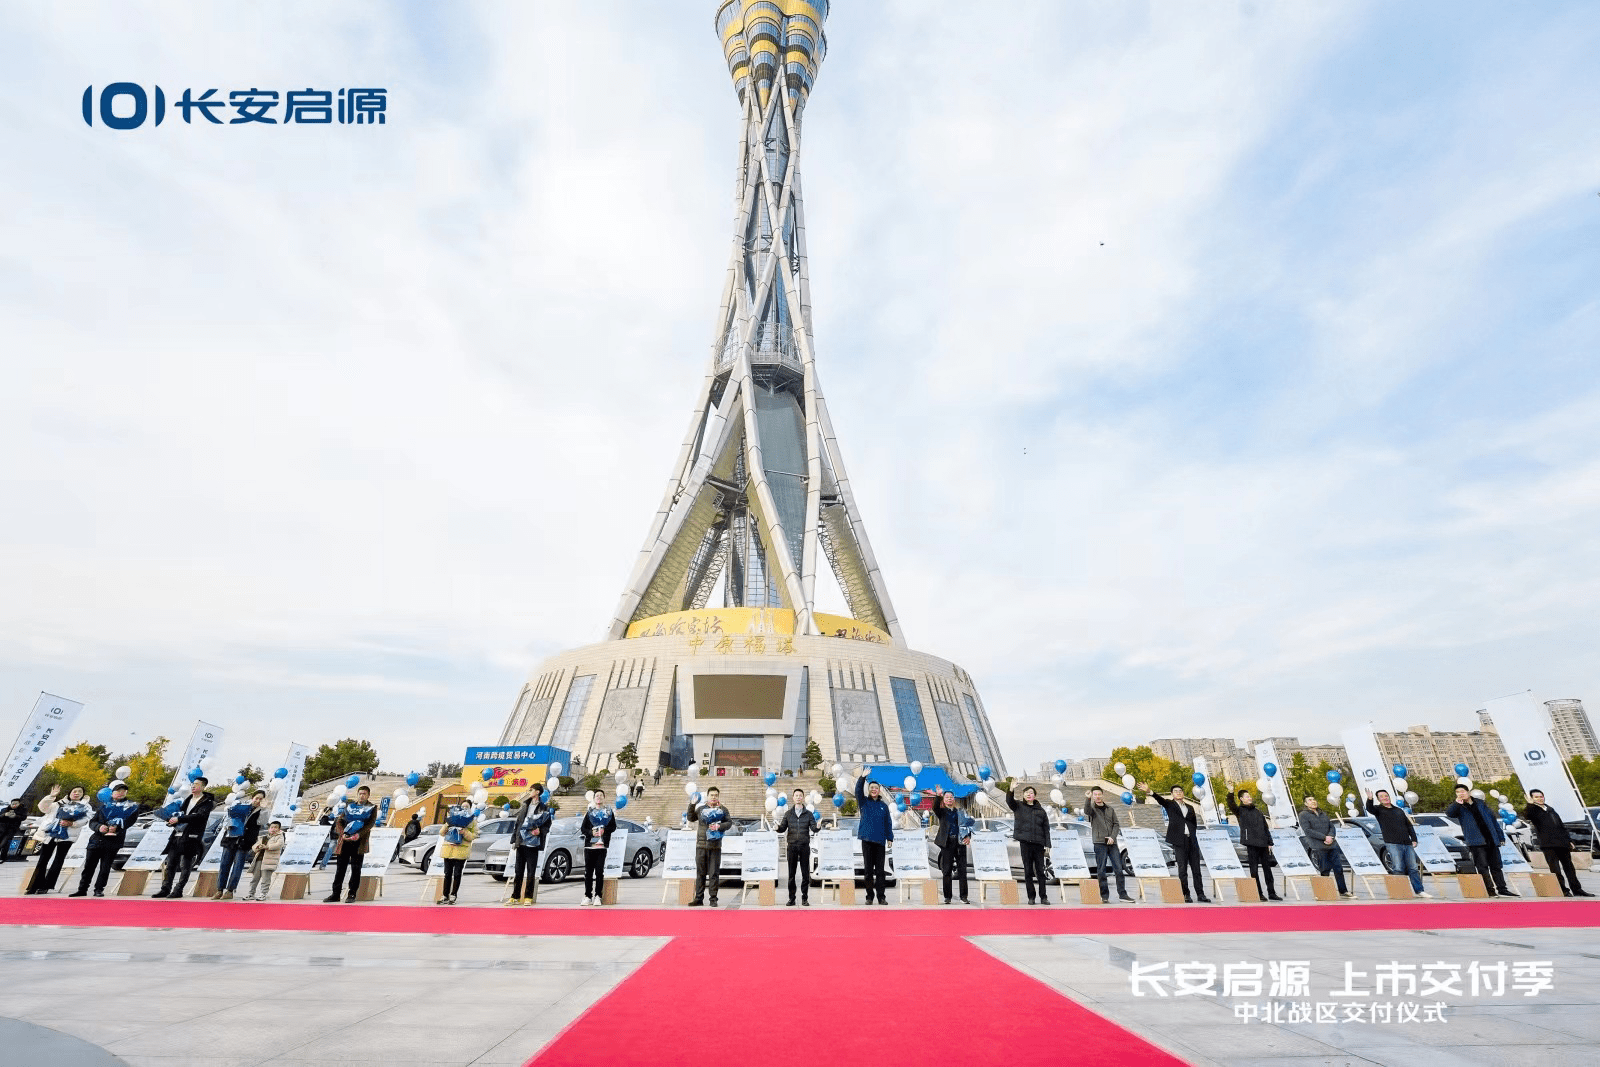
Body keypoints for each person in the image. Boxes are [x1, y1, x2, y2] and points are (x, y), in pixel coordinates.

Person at [70, 784, 141, 897]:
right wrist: (99, 827)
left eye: (124, 791)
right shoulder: (104, 805)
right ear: (112, 793)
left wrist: (117, 827)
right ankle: (82, 889)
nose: (121, 793)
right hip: (96, 840)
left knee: (105, 867)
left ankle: (99, 889)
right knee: (88, 866)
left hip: (113, 841)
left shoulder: (131, 807)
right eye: (118, 791)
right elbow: (92, 822)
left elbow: (129, 822)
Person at [1444, 785, 1513, 897]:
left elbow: (1493, 820)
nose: (1460, 793)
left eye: (1462, 791)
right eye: (1457, 792)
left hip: (1490, 839)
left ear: (1468, 792)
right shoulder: (1459, 807)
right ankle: (1490, 890)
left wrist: (1500, 837)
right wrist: (1457, 803)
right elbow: (1450, 813)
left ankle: (1502, 889)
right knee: (1482, 867)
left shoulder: (1481, 803)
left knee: (1496, 866)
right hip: (1476, 842)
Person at [1147, 782, 1210, 903]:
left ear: (1183, 793)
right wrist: (1151, 792)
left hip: (1192, 841)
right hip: (1179, 841)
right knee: (1182, 869)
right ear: (1172, 794)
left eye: (1180, 791)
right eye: (1176, 791)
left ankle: (1200, 894)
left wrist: (1193, 835)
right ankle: (1186, 894)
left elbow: (1194, 824)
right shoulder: (1170, 804)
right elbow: (1161, 800)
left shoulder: (1190, 807)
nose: (1178, 793)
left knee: (1196, 869)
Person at [1521, 789, 1591, 897]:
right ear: (1532, 799)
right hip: (1548, 845)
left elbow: (1561, 826)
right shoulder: (1533, 810)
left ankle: (1577, 890)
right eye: (1536, 797)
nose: (1540, 799)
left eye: (1541, 796)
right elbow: (1527, 816)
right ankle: (1564, 890)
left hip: (1562, 843)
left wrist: (1569, 840)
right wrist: (1529, 805)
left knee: (1570, 869)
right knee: (1555, 869)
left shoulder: (1550, 809)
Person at [153, 778, 215, 898]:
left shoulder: (207, 802)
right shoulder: (187, 799)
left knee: (185, 865)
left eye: (196, 784)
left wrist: (180, 819)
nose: (193, 786)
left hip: (191, 836)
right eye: (192, 784)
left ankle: (178, 889)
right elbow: (181, 814)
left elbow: (199, 816)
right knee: (170, 864)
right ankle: (165, 888)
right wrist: (172, 820)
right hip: (177, 835)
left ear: (203, 787)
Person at [26, 785, 91, 894]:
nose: (76, 793)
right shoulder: (58, 803)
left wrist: (72, 823)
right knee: (43, 860)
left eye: (80, 792)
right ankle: (34, 885)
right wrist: (51, 796)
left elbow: (85, 820)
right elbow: (43, 808)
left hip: (67, 835)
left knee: (58, 860)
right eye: (74, 791)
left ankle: (46, 886)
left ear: (83, 794)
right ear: (69, 793)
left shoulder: (85, 806)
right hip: (50, 833)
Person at [1365, 789, 1429, 898]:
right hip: (1392, 843)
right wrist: (1369, 799)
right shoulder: (1378, 810)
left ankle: (1419, 890)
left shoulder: (1398, 810)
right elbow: (1369, 808)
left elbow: (1408, 825)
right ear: (1378, 799)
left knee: (1413, 867)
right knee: (1398, 867)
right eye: (1381, 796)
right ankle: (1401, 891)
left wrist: (1414, 839)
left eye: (1386, 795)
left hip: (1407, 843)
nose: (1385, 798)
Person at [1226, 789, 1282, 901]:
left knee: (1268, 870)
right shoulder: (1240, 810)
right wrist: (1230, 792)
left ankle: (1272, 892)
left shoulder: (1258, 811)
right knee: (1254, 870)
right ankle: (1259, 893)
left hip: (1263, 843)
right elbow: (1231, 804)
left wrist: (1269, 842)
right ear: (1241, 799)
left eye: (1249, 796)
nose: (1249, 797)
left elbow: (1265, 827)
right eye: (1246, 796)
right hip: (1251, 843)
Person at [324, 785, 377, 903]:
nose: (362, 795)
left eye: (364, 794)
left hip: (359, 842)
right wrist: (343, 834)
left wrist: (358, 835)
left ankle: (352, 894)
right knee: (340, 869)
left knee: (356, 869)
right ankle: (335, 894)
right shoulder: (349, 806)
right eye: (360, 793)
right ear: (357, 794)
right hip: (345, 841)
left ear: (368, 795)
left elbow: (369, 824)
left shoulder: (372, 807)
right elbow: (340, 821)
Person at [214, 790, 267, 901]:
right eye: (256, 798)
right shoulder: (240, 805)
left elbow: (262, 822)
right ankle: (219, 889)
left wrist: (264, 809)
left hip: (245, 841)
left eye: (261, 799)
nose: (258, 801)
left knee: (237, 866)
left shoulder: (261, 811)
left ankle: (230, 890)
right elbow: (227, 818)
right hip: (231, 839)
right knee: (224, 864)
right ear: (252, 797)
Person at [1003, 784, 1051, 904]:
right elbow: (1009, 801)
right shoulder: (1018, 806)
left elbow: (1046, 829)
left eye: (1031, 792)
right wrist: (1011, 789)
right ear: (1023, 795)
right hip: (1025, 844)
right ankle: (1031, 897)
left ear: (1035, 796)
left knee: (1040, 872)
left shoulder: (1041, 811)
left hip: (1039, 844)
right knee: (1028, 871)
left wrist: (1048, 844)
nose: (1029, 794)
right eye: (1027, 792)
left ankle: (1043, 897)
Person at [1085, 787, 1133, 902]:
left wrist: (1113, 837)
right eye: (1095, 794)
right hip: (1099, 842)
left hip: (1112, 843)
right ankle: (1104, 896)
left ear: (1102, 795)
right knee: (1101, 870)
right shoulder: (1092, 809)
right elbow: (1086, 811)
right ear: (1093, 796)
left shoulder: (1110, 809)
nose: (1097, 796)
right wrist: (1087, 799)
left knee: (1118, 869)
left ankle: (1122, 894)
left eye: (1099, 794)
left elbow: (1116, 824)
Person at [1297, 796, 1351, 898]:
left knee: (1338, 868)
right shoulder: (1303, 815)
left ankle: (1343, 891)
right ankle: (1325, 892)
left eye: (1314, 799)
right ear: (1305, 804)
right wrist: (1324, 837)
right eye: (1310, 800)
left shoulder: (1323, 813)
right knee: (1325, 869)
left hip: (1331, 844)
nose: (1313, 801)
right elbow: (1307, 830)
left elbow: (1331, 826)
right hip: (1318, 845)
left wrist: (1331, 836)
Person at [774, 787, 819, 906]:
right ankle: (791, 898)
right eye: (796, 795)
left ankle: (805, 898)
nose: (798, 797)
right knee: (791, 875)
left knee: (805, 874)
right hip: (792, 847)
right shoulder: (788, 814)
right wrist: (777, 828)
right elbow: (783, 828)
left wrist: (818, 826)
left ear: (803, 798)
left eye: (800, 795)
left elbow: (814, 828)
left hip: (804, 847)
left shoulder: (808, 814)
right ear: (793, 798)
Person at [927, 789, 974, 904]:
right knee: (946, 870)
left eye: (951, 797)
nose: (949, 799)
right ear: (944, 799)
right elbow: (935, 807)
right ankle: (947, 897)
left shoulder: (960, 812)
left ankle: (964, 896)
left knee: (962, 871)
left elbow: (966, 826)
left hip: (960, 843)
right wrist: (938, 796)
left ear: (954, 799)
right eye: (947, 797)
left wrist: (968, 836)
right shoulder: (941, 812)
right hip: (947, 843)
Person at [687, 786, 730, 907]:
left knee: (714, 874)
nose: (714, 797)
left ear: (718, 796)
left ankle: (713, 899)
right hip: (701, 846)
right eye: (711, 795)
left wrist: (719, 826)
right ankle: (698, 898)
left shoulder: (723, 810)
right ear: (707, 796)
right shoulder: (701, 809)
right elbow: (690, 818)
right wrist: (691, 804)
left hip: (715, 847)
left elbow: (729, 823)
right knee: (700, 873)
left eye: (716, 795)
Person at [508, 788, 553, 905]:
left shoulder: (544, 808)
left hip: (533, 843)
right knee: (518, 871)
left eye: (531, 790)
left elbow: (547, 825)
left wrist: (540, 831)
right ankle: (515, 896)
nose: (529, 792)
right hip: (521, 842)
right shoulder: (525, 805)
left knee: (531, 872)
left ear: (537, 792)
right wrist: (514, 840)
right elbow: (518, 823)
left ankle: (528, 896)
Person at [854, 773, 893, 905]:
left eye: (876, 788)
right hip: (867, 841)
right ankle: (869, 896)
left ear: (879, 790)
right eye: (871, 788)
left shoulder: (884, 806)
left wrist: (890, 838)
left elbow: (888, 822)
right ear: (869, 790)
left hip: (880, 842)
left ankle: (881, 897)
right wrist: (862, 778)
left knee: (880, 871)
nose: (873, 790)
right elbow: (857, 790)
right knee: (868, 871)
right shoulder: (863, 802)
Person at [580, 789, 616, 906]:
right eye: (597, 795)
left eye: (601, 795)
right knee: (588, 872)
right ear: (594, 798)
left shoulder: (608, 812)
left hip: (601, 846)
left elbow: (613, 827)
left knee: (599, 872)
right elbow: (583, 828)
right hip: (589, 846)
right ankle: (587, 896)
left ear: (604, 797)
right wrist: (592, 832)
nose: (599, 797)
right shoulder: (590, 812)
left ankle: (598, 896)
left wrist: (604, 831)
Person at [437, 803, 476, 905]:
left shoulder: (471, 821)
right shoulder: (451, 819)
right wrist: (448, 826)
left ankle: (453, 895)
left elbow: (473, 836)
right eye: (462, 806)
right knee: (447, 874)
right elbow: (441, 833)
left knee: (457, 874)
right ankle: (445, 895)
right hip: (448, 850)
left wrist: (464, 832)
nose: (464, 808)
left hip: (461, 851)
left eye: (466, 806)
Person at [245, 821, 285, 900]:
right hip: (259, 859)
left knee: (266, 879)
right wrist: (258, 847)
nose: (273, 829)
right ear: (269, 828)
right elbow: (254, 846)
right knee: (255, 878)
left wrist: (267, 847)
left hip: (269, 861)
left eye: (275, 827)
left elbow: (279, 845)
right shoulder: (264, 837)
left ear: (279, 829)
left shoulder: (280, 837)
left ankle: (263, 894)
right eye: (272, 827)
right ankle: (251, 894)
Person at [0, 798, 25, 862]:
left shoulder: (22, 810)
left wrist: (15, 816)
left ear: (19, 804)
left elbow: (23, 817)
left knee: (5, 843)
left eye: (16, 804)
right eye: (13, 804)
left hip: (12, 830)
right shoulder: (4, 809)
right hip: (2, 828)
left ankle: (2, 857)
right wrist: (5, 815)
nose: (14, 805)